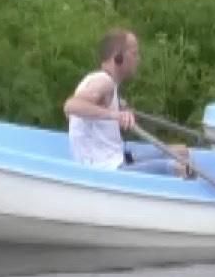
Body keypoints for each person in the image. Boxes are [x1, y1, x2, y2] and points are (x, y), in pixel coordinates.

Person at [62, 28, 189, 174]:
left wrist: (118, 107)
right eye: (134, 53)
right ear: (118, 57)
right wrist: (115, 115)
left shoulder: (103, 83)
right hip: (105, 168)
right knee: (178, 167)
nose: (138, 59)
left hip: (116, 158)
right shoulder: (104, 81)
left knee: (181, 151)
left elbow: (76, 116)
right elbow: (71, 106)